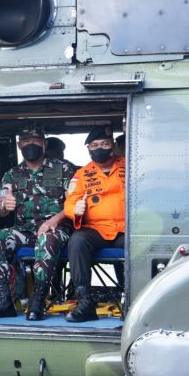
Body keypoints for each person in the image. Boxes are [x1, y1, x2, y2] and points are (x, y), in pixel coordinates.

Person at [0, 123, 76, 321]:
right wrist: (4, 205)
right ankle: (4, 301)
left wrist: (54, 220)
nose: (31, 144)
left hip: (57, 229)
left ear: (44, 143)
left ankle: (38, 301)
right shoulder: (12, 174)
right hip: (26, 231)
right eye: (26, 141)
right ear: (20, 145)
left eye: (36, 140)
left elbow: (74, 203)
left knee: (46, 239)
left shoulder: (64, 168)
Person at [63, 125, 126, 322]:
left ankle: (133, 301)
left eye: (105, 144)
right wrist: (75, 210)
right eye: (95, 145)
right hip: (96, 230)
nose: (100, 148)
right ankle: (85, 303)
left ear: (113, 145)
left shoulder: (130, 165)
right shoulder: (81, 175)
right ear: (89, 149)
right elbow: (70, 202)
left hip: (125, 229)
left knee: (139, 243)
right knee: (77, 240)